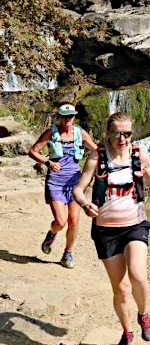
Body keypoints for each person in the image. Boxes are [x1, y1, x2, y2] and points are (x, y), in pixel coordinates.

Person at [73, 111, 150, 345]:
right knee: (120, 288)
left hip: (135, 224)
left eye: (127, 133)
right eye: (117, 133)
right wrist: (84, 204)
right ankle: (127, 331)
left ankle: (144, 315)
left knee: (138, 275)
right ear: (108, 133)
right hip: (105, 230)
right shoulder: (96, 157)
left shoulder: (139, 154)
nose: (122, 138)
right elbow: (79, 189)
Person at [29, 102, 97, 268]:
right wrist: (48, 162)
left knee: (74, 221)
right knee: (60, 221)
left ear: (74, 116)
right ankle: (52, 234)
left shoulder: (80, 133)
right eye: (64, 116)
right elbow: (33, 151)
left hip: (75, 183)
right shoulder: (51, 133)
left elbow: (96, 150)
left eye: (71, 116)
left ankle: (68, 254)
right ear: (58, 116)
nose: (67, 119)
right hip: (55, 182)